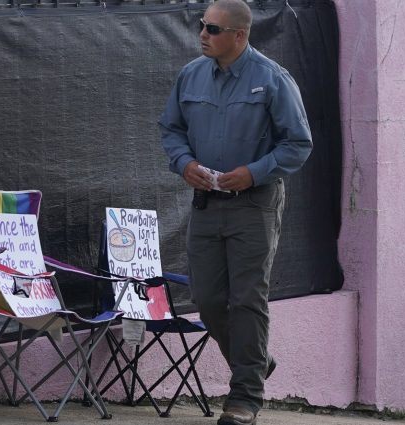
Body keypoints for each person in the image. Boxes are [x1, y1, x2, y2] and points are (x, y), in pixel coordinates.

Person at [158, 1, 312, 424]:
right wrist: (183, 163)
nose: (202, 34)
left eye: (212, 28)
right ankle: (256, 361)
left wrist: (254, 172)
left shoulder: (273, 80)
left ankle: (244, 397)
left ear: (240, 35)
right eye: (200, 25)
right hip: (206, 205)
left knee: (247, 300)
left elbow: (298, 144)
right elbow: (170, 129)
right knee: (208, 301)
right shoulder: (190, 75)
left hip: (254, 206)